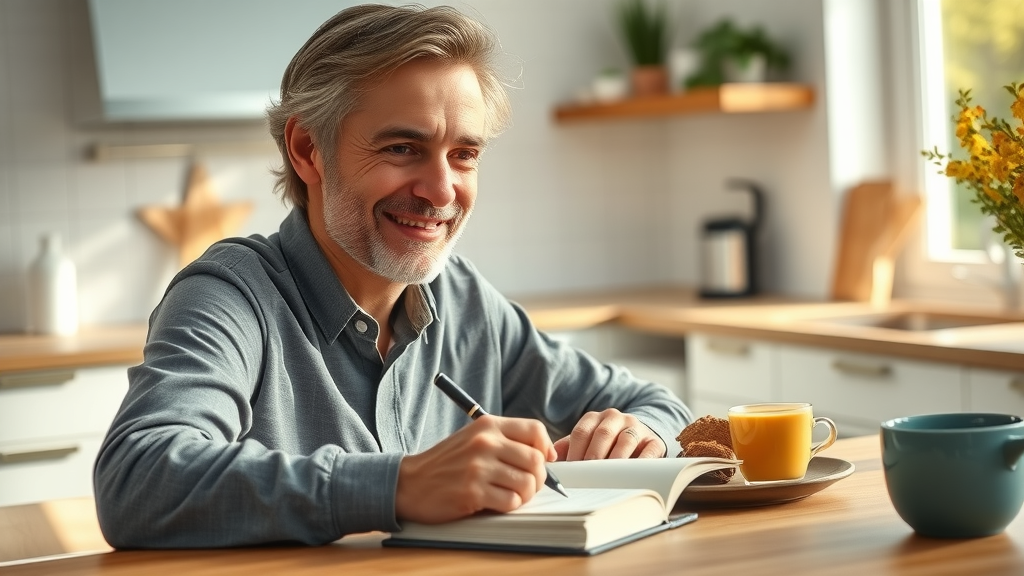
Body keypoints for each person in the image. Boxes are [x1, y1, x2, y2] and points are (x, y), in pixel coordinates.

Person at [94, 4, 692, 548]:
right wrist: (399, 485)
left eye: (464, 154)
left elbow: (656, 403)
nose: (440, 190)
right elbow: (138, 478)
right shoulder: (229, 296)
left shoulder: (462, 299)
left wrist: (637, 433)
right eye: (404, 148)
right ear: (308, 150)